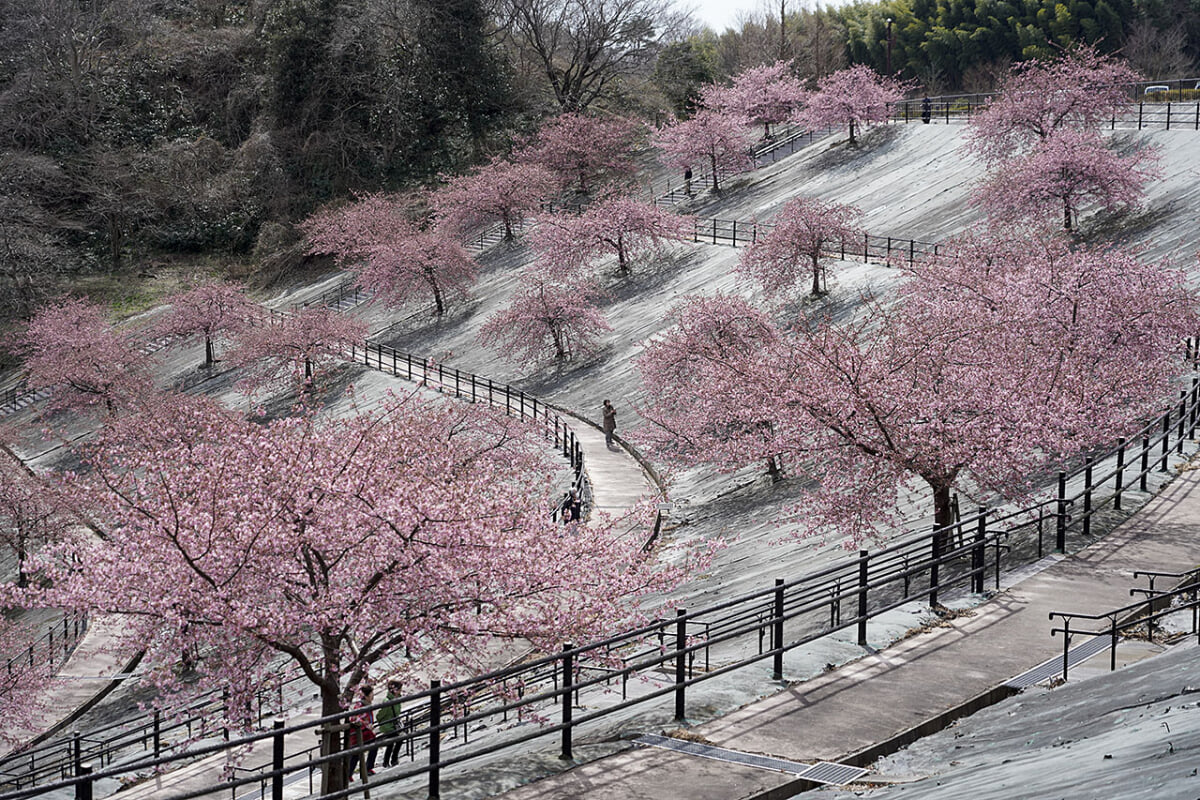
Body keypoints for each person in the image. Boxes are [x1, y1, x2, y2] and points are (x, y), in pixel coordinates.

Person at [346, 685, 378, 780]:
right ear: (367, 696)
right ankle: (352, 773)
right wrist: (368, 726)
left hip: (366, 733)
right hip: (360, 734)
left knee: (360, 753)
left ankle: (357, 772)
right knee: (356, 754)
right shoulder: (360, 706)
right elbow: (356, 719)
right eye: (372, 694)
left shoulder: (366, 704)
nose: (373, 696)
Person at [376, 680, 404, 768]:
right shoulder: (387, 701)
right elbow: (380, 715)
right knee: (391, 743)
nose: (400, 691)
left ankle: (392, 760)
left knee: (398, 740)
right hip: (387, 725)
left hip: (394, 724)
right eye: (399, 689)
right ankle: (388, 761)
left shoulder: (397, 699)